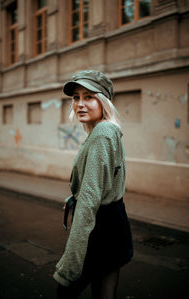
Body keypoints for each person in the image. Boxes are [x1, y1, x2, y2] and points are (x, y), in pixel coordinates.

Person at [53, 70, 133, 299]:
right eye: (76, 97)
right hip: (114, 224)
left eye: (89, 96)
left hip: (99, 228)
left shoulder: (102, 134)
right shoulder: (108, 129)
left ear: (104, 101)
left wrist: (70, 263)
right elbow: (107, 182)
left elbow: (89, 201)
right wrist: (73, 199)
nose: (80, 104)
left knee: (65, 290)